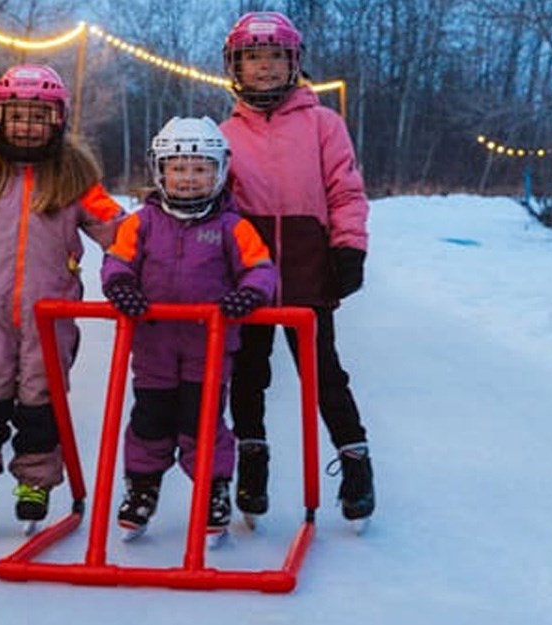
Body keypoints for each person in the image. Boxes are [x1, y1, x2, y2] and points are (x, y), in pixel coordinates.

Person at [0, 64, 124, 537]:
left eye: (38, 117)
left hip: (51, 314)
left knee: (42, 396)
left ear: (57, 121)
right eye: (16, 115)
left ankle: (35, 482)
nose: (26, 126)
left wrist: (161, 249)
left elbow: (119, 232)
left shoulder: (75, 178)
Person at [219, 12, 375, 527]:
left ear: (293, 64)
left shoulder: (322, 124)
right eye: (253, 59)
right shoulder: (224, 133)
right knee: (248, 374)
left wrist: (348, 246)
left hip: (309, 265)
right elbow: (207, 198)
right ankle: (252, 461)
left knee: (323, 372)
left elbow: (345, 189)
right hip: (249, 272)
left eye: (274, 58)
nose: (264, 69)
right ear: (236, 67)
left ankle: (355, 463)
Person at [101, 116, 277, 539]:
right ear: (160, 171)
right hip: (154, 344)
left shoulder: (232, 226)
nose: (188, 178)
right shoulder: (140, 222)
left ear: (218, 173)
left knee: (200, 422)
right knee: (150, 419)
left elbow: (261, 269)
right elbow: (116, 261)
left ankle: (214, 489)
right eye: (178, 168)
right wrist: (121, 285)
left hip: (209, 347)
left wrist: (249, 294)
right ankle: (142, 487)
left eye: (200, 169)